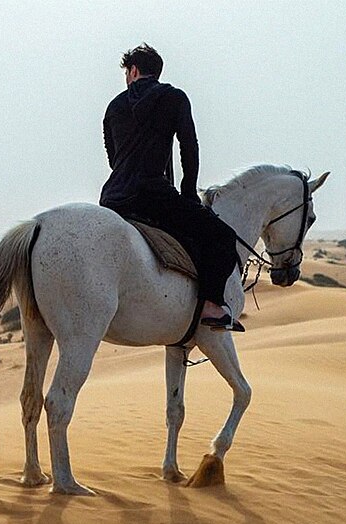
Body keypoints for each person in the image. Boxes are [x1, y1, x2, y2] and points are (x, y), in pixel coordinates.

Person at [100, 43, 243, 331]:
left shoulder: (114, 106)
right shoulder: (174, 98)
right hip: (153, 197)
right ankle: (212, 307)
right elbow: (189, 147)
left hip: (112, 200)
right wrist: (188, 193)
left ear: (133, 71)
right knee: (223, 239)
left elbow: (115, 159)